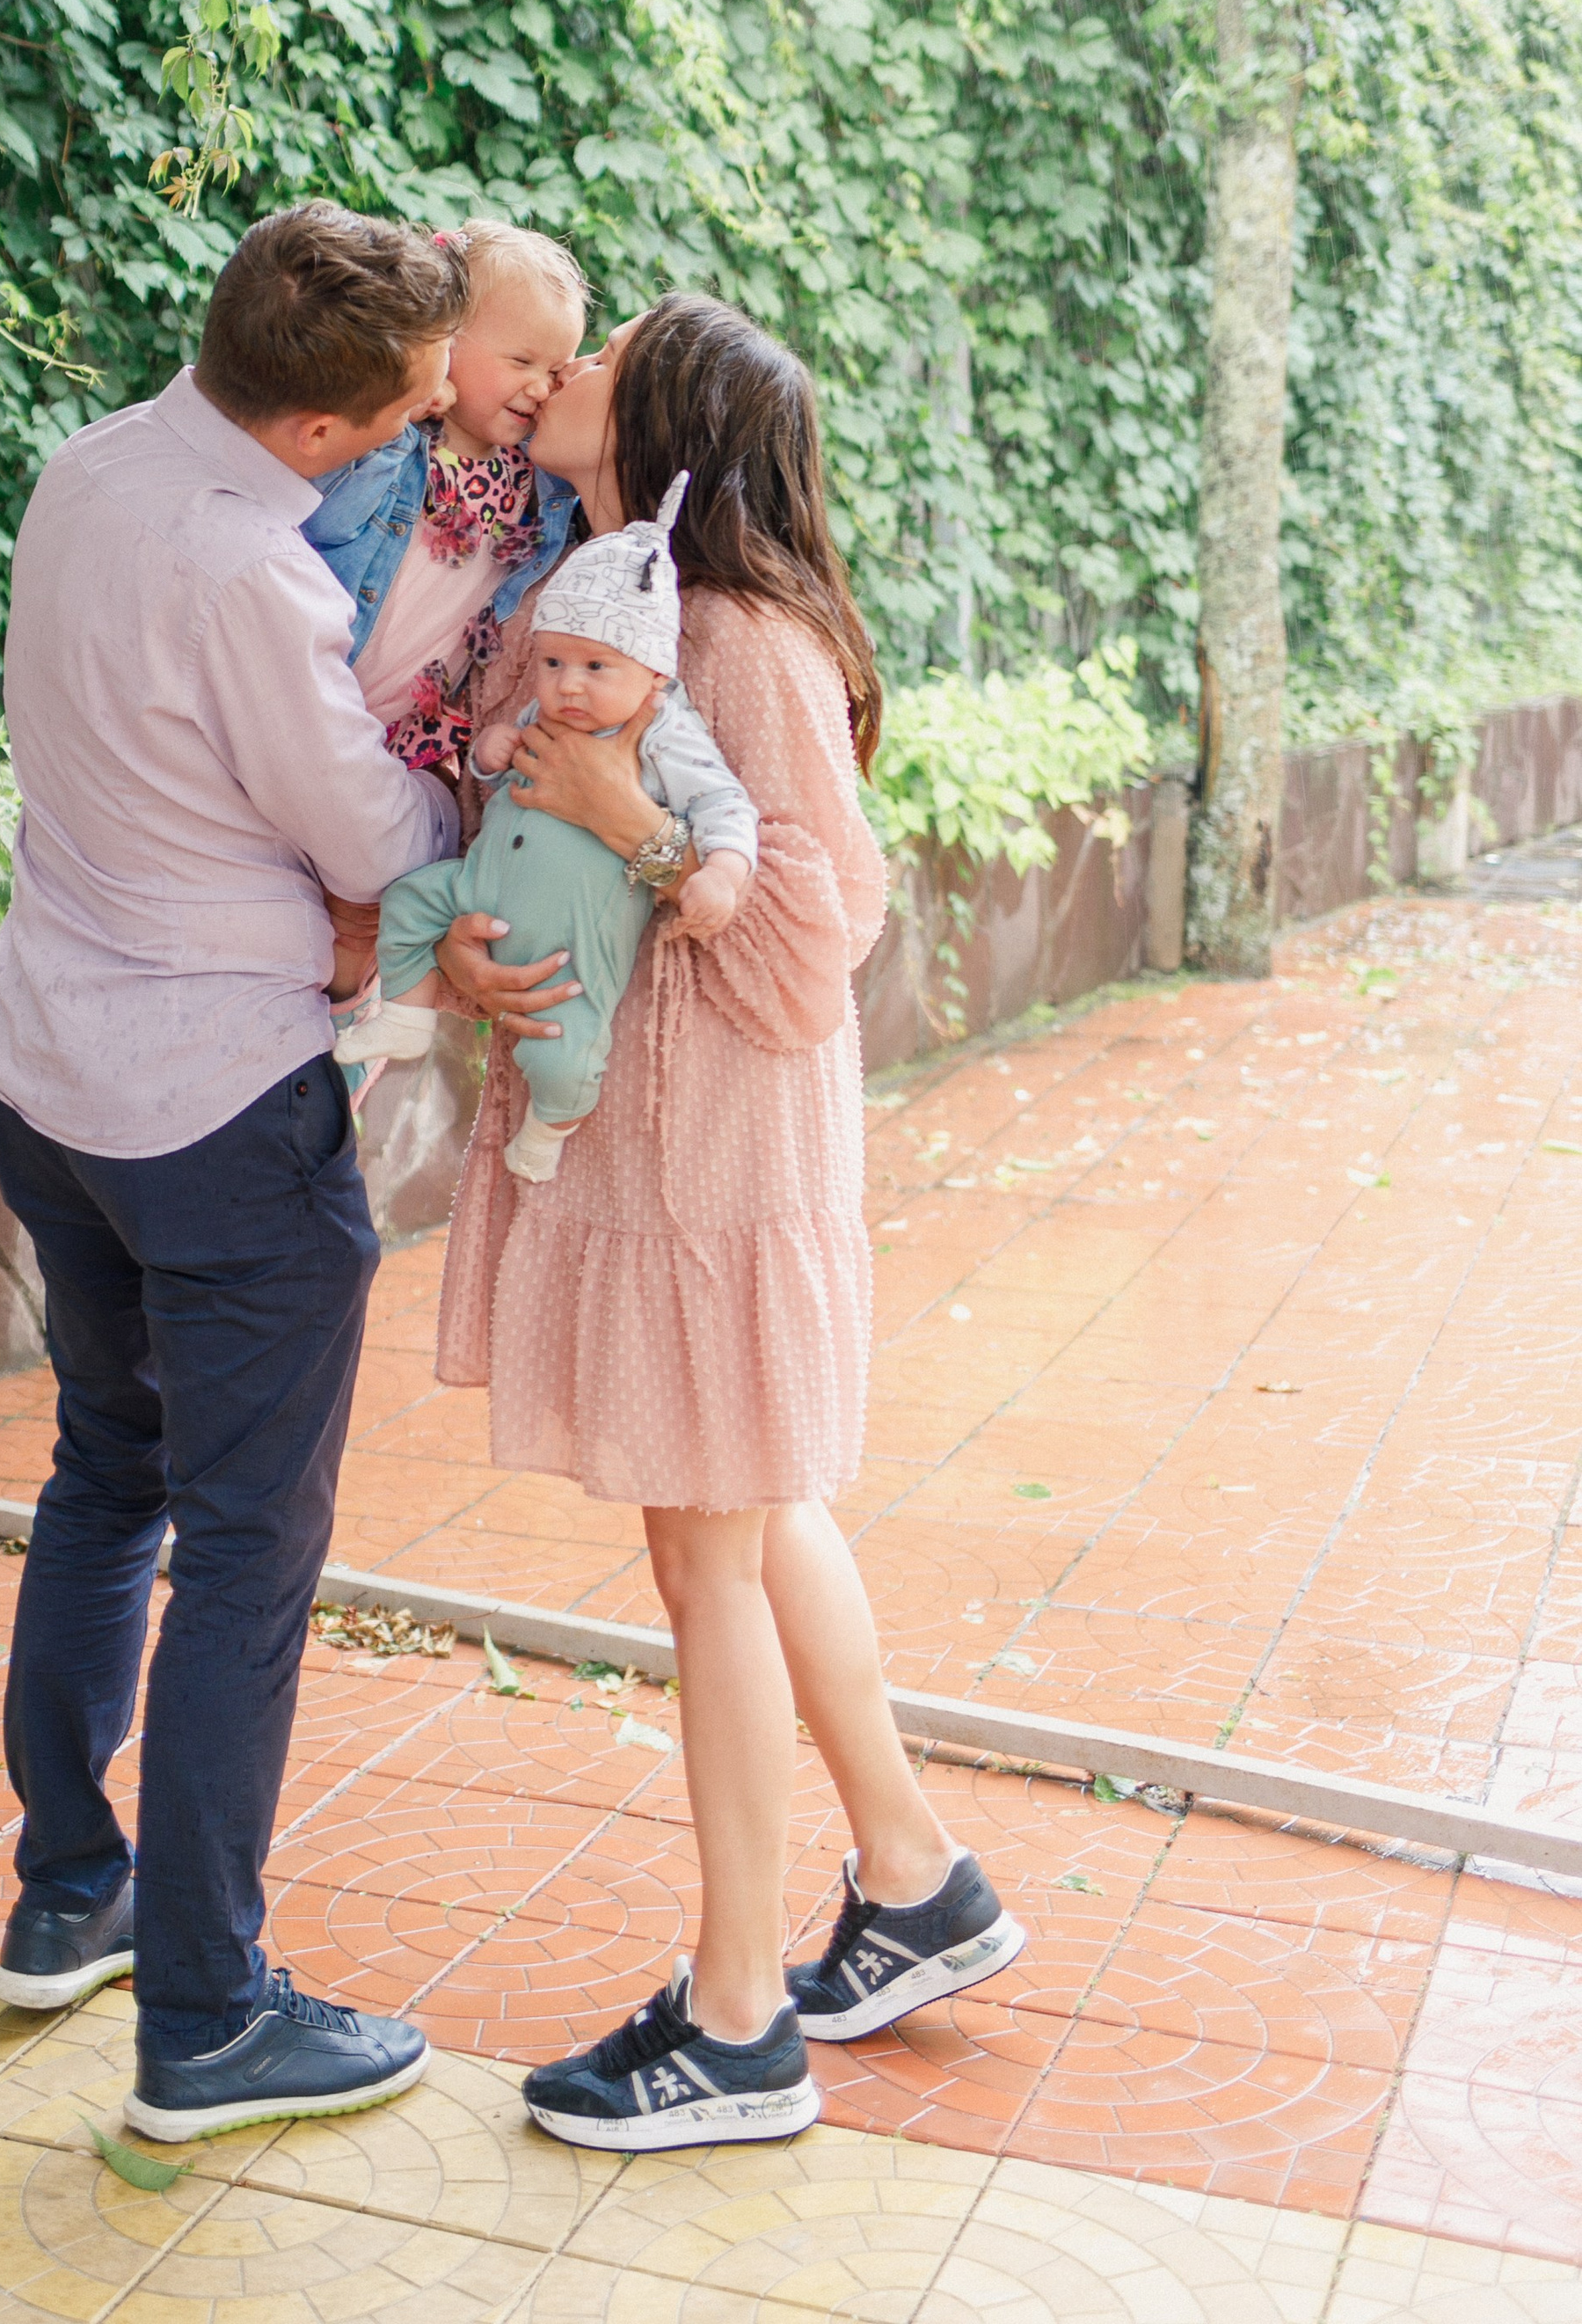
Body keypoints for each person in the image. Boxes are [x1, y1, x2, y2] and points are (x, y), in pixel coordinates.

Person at [432, 293, 1026, 2152]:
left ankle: (738, 2019)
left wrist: (630, 820)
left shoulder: (738, 640)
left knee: (708, 1564)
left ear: (665, 414)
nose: (568, 361)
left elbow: (807, 939)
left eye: (602, 344)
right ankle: (916, 1882)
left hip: (713, 1171)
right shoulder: (628, 598)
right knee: (753, 1530)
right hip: (661, 1156)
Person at [0, 201, 469, 2145]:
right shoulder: (252, 573)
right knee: (249, 1551)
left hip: (47, 1075)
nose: (438, 430)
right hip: (210, 1110)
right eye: (420, 405)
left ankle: (65, 1894)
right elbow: (362, 823)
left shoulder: (85, 469)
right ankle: (206, 2017)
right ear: (332, 429)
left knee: (109, 1473)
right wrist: (470, 769)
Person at [337, 473, 757, 1180]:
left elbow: (725, 804)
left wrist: (723, 869)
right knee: (409, 901)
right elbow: (501, 779)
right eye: (554, 662)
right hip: (481, 886)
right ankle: (405, 1018)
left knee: (562, 1046)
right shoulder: (554, 712)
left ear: (654, 676)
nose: (568, 685)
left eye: (597, 667)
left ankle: (553, 1120)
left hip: (575, 935)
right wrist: (493, 754)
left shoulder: (663, 731)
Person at [303, 218, 587, 776]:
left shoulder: (537, 472)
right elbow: (323, 520)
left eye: (555, 370)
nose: (540, 387)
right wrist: (404, 408)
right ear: (446, 340)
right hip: (320, 687)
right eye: (521, 362)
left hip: (409, 734)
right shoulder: (392, 440)